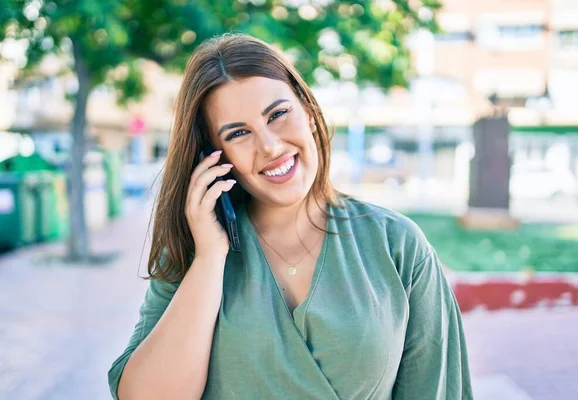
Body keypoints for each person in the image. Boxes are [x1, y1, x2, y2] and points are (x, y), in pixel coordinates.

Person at [108, 33, 473, 400]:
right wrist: (209, 258)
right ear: (214, 157)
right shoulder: (193, 252)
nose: (270, 146)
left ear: (310, 114)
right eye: (238, 134)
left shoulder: (397, 245)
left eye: (278, 114)